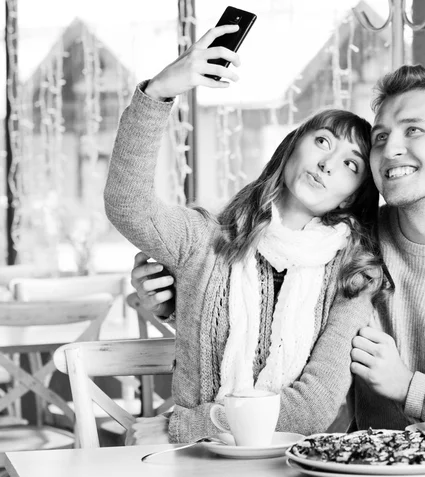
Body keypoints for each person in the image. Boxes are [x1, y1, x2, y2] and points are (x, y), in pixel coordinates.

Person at [134, 63, 425, 430]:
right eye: (382, 137)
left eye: (414, 131)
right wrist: (179, 292)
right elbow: (263, 295)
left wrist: (411, 388)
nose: (391, 150)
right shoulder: (346, 246)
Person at [104, 24, 386, 445]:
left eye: (351, 164)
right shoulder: (208, 238)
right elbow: (128, 206)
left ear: (352, 197)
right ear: (291, 148)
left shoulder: (354, 273)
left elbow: (314, 407)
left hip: (300, 462)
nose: (328, 163)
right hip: (198, 465)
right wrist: (159, 91)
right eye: (322, 140)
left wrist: (186, 425)